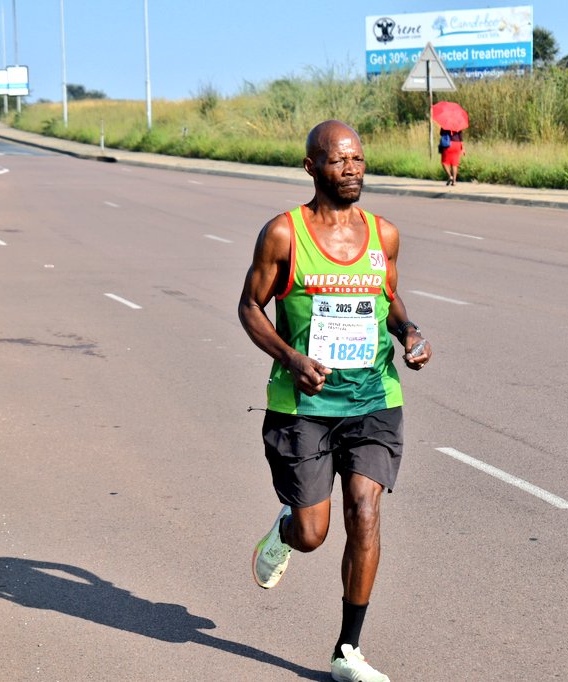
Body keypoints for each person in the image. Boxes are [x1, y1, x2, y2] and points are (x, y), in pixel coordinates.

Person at [238, 120, 431, 682]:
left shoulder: (383, 235)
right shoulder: (283, 234)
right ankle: (285, 532)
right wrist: (291, 360)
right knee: (314, 533)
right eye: (338, 160)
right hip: (304, 407)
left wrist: (410, 333)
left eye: (358, 160)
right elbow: (250, 307)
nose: (351, 169)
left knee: (365, 511)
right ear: (311, 167)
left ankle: (347, 651)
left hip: (373, 397)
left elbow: (390, 301)